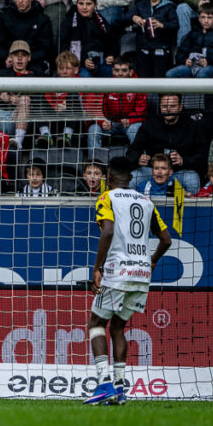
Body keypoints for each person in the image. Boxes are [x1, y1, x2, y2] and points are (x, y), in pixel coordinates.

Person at [83, 159, 172, 405]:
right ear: (131, 179)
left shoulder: (107, 197)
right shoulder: (146, 201)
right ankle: (120, 388)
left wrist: (97, 268)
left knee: (96, 324)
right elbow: (166, 239)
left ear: (108, 177)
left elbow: (108, 232)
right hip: (141, 273)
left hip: (117, 271)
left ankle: (104, 385)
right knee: (117, 327)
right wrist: (152, 261)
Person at [126, 93, 204, 194]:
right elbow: (131, 152)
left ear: (180, 107)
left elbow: (201, 158)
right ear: (159, 106)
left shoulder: (193, 127)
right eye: (164, 106)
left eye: (172, 106)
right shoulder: (149, 125)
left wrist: (183, 160)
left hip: (180, 172)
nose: (168, 110)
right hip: (153, 171)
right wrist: (137, 158)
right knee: (133, 178)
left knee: (192, 180)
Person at [0, 0, 55, 75]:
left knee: (39, 72)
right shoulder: (5, 17)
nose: (20, 1)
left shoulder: (43, 20)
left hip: (33, 61)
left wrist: (27, 58)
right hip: (9, 59)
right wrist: (7, 57)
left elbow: (45, 48)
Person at [88, 55, 145, 150]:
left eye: (124, 70)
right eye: (117, 70)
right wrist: (102, 121)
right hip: (110, 123)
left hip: (131, 123)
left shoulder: (139, 85)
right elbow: (97, 107)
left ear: (130, 72)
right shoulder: (106, 85)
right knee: (93, 129)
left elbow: (141, 110)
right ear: (113, 71)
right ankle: (94, 159)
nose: (120, 74)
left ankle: (139, 158)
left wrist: (130, 119)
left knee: (136, 129)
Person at [127, 0, 177, 78]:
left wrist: (162, 25)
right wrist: (133, 17)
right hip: (143, 48)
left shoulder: (169, 6)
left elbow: (175, 25)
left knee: (159, 80)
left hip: (161, 49)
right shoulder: (140, 4)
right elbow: (125, 17)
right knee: (143, 80)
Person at [59, 0, 116, 78]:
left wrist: (111, 56)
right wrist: (82, 60)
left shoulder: (101, 20)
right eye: (81, 3)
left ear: (95, 5)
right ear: (76, 4)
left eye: (88, 4)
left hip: (101, 61)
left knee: (110, 71)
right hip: (78, 64)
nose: (84, 7)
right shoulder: (68, 21)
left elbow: (111, 42)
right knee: (85, 76)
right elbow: (64, 48)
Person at [169, 3, 213, 78]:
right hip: (191, 66)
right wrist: (185, 60)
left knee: (202, 73)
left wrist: (208, 61)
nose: (206, 21)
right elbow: (180, 53)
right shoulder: (192, 34)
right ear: (199, 19)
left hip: (211, 66)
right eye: (203, 17)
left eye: (209, 18)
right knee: (171, 73)